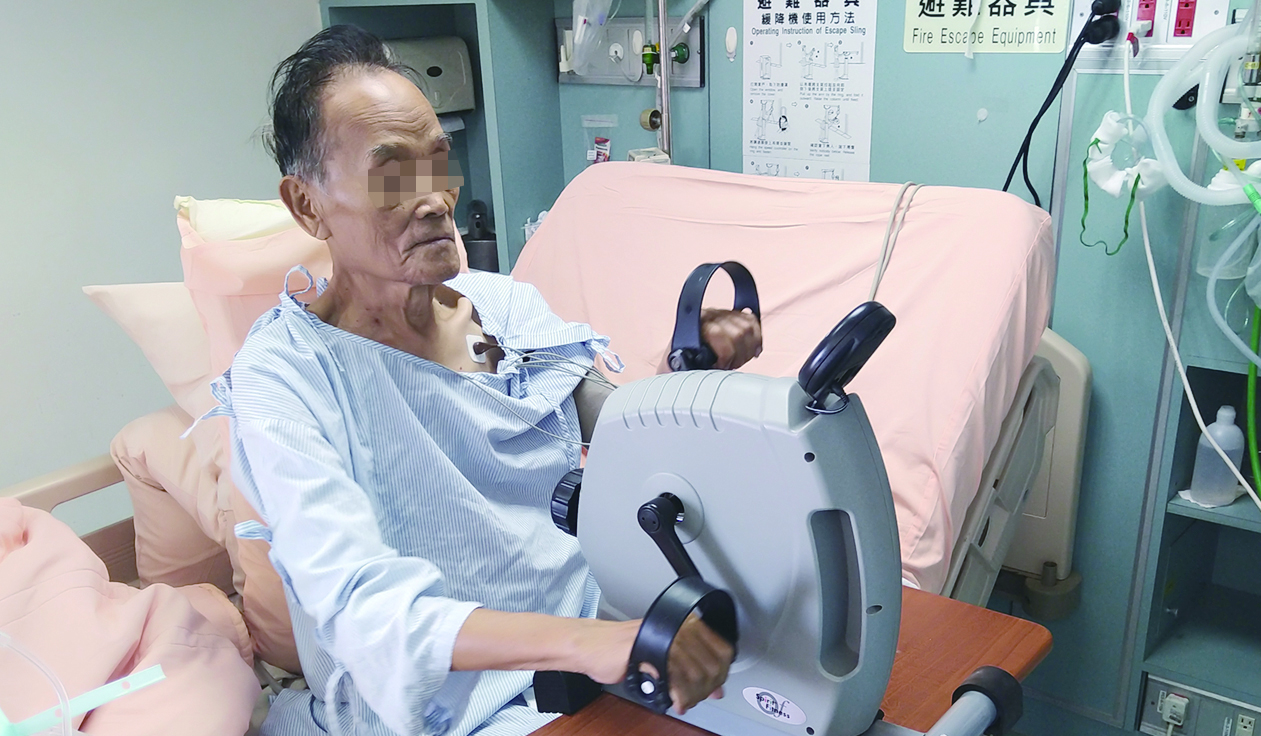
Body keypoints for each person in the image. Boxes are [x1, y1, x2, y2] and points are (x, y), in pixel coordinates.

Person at [222, 24, 761, 736]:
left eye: (437, 161)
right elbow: (363, 610)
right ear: (307, 205)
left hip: (586, 649)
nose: (433, 199)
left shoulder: (502, 306)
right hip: (438, 705)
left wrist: (688, 365)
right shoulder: (286, 376)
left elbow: (625, 432)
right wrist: (591, 645)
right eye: (392, 174)